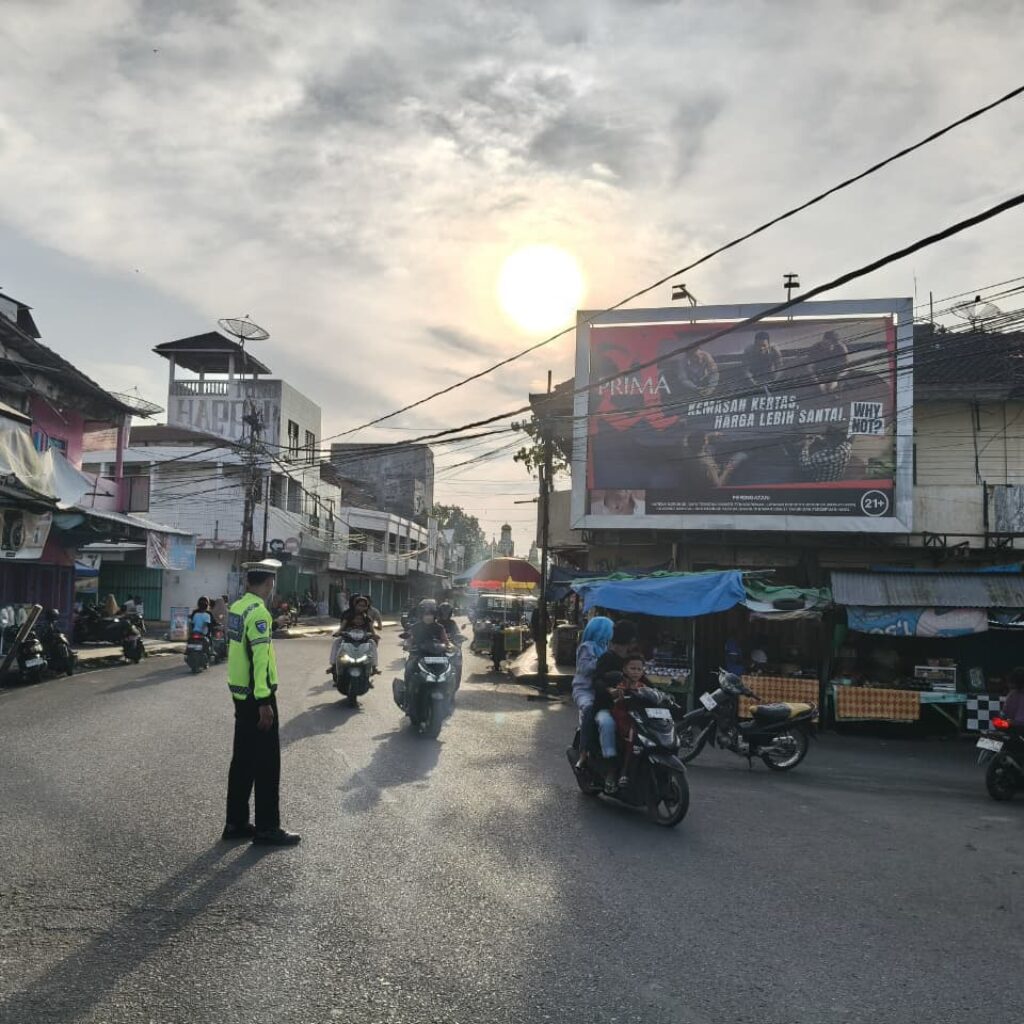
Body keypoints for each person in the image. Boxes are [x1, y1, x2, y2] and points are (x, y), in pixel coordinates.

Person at [223, 559, 300, 847]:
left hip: (240, 695)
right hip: (258, 698)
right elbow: (258, 657)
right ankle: (268, 828)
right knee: (267, 764)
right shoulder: (259, 613)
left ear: (247, 582)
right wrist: (265, 701)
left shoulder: (237, 608)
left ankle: (236, 823)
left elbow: (238, 650)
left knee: (242, 761)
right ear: (269, 584)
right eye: (272, 583)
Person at [570, 616, 614, 770]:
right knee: (590, 710)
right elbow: (585, 668)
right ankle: (584, 753)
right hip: (585, 690)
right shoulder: (587, 647)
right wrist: (604, 661)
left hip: (601, 689)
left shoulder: (607, 649)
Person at [327, 594, 380, 675]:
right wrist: (339, 632)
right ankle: (333, 664)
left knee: (372, 643)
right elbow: (342, 626)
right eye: (360, 605)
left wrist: (374, 635)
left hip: (363, 639)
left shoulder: (367, 618)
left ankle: (374, 666)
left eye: (364, 606)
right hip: (348, 638)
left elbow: (371, 629)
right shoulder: (348, 615)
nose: (361, 608)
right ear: (355, 605)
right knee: (336, 641)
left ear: (367, 607)